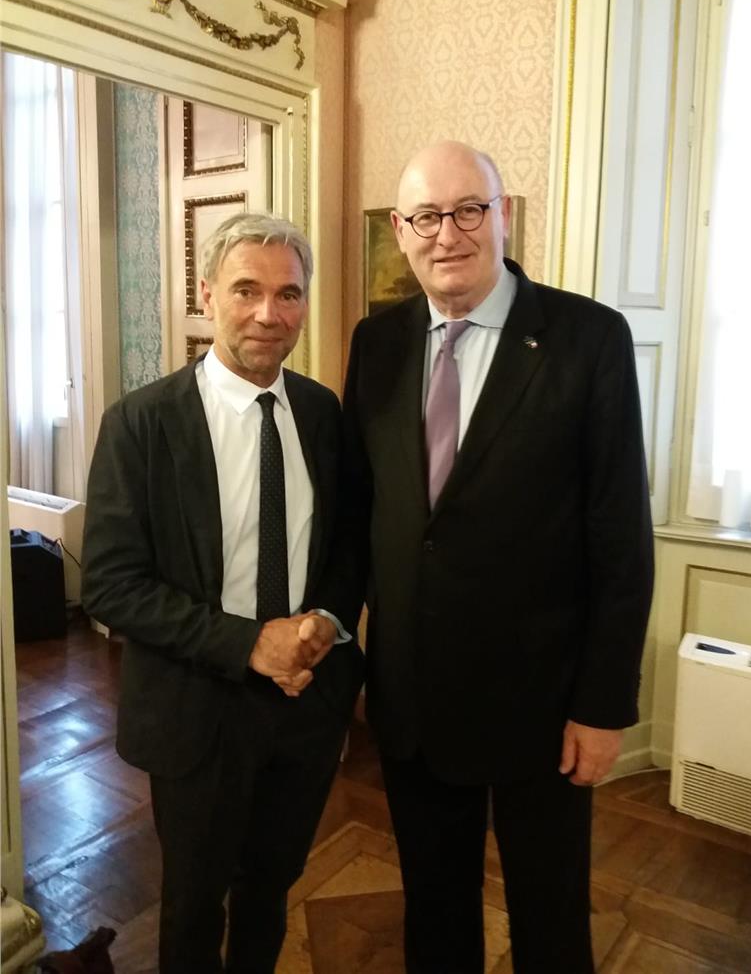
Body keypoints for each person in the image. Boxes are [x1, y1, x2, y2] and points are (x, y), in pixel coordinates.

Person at [332, 141, 654, 973]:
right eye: (426, 217)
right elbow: (360, 513)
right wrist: (332, 637)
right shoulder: (377, 342)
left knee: (550, 918)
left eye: (469, 209)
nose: (448, 234)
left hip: (542, 708)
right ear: (401, 229)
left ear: (502, 214)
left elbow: (620, 537)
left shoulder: (588, 338)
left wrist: (604, 705)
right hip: (413, 701)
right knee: (435, 909)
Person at [81, 212, 364, 973]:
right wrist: (250, 644)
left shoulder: (321, 412)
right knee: (195, 901)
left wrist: (326, 621)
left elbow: (345, 544)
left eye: (288, 294)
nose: (269, 314)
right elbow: (110, 582)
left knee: (272, 886)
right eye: (246, 290)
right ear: (207, 294)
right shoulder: (142, 423)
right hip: (196, 708)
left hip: (304, 706)